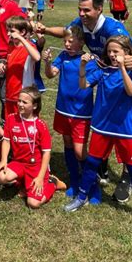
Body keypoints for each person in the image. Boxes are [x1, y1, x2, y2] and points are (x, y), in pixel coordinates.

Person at [36, 0, 132, 203]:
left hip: (126, 77)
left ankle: (126, 175)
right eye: (79, 9)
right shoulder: (81, 22)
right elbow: (68, 32)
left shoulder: (113, 27)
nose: (82, 13)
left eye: (86, 10)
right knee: (103, 119)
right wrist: (46, 29)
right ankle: (99, 167)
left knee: (127, 125)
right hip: (103, 77)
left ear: (99, 9)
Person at [64, 36, 132, 229]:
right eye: (110, 51)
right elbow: (83, 85)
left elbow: (131, 92)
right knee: (92, 163)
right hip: (102, 127)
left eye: (117, 52)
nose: (113, 55)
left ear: (127, 53)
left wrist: (123, 68)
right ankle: (81, 197)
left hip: (126, 129)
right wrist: (82, 67)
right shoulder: (102, 70)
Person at [43, 26, 96, 199]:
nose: (66, 44)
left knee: (80, 152)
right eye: (65, 41)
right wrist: (48, 62)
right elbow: (51, 75)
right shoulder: (63, 56)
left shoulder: (89, 60)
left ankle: (92, 183)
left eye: (70, 41)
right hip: (62, 109)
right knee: (67, 144)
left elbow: (93, 81)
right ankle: (74, 180)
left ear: (81, 42)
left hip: (81, 112)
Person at [0, 86, 64, 208]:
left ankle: (52, 183)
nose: (20, 104)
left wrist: (41, 177)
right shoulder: (11, 119)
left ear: (35, 106)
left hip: (35, 166)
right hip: (19, 163)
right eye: (19, 100)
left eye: (24, 102)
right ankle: (24, 182)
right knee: (1, 177)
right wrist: (4, 160)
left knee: (33, 203)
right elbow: (6, 141)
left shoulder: (41, 126)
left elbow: (46, 153)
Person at [3, 17, 40, 119]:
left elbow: (37, 57)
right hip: (10, 94)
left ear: (23, 32)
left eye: (12, 31)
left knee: (24, 125)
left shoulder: (29, 46)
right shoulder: (10, 47)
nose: (8, 34)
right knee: (11, 124)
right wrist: (4, 66)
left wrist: (21, 39)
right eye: (8, 31)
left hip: (23, 96)